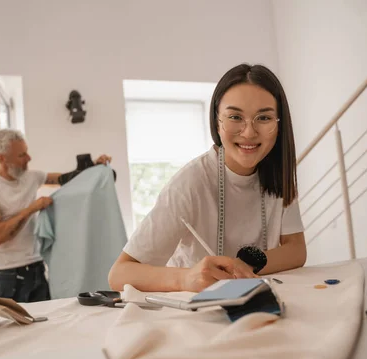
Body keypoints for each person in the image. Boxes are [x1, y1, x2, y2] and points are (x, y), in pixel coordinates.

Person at [109, 64, 306, 293]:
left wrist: (244, 266)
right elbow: (118, 274)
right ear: (216, 121)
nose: (249, 132)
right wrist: (185, 279)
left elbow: (296, 250)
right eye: (235, 116)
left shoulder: (276, 174)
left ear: (279, 124)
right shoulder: (189, 184)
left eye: (263, 118)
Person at [0, 129, 112, 302]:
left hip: (37, 269)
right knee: (16, 329)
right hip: (10, 275)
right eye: (22, 155)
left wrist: (94, 165)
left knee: (46, 324)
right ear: (2, 158)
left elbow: (68, 178)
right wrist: (32, 208)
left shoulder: (32, 177)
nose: (29, 158)